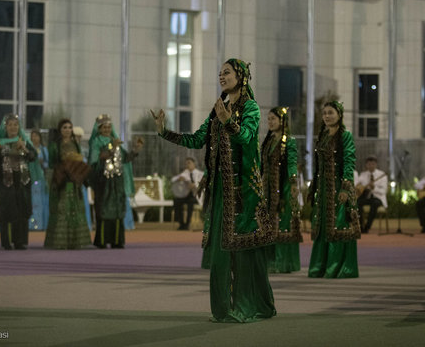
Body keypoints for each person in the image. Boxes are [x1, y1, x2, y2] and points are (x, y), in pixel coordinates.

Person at [152, 58, 276, 323]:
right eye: (220, 73)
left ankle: (249, 305)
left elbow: (246, 136)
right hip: (221, 191)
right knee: (221, 251)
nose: (222, 76)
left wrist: (229, 121)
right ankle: (223, 308)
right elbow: (198, 139)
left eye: (227, 72)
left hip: (243, 191)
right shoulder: (218, 109)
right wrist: (165, 132)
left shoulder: (250, 108)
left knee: (243, 252)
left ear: (241, 76)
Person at [307, 101, 360, 279]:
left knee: (339, 225)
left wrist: (345, 187)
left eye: (331, 113)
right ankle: (320, 266)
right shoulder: (322, 136)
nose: (327, 116)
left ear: (339, 115)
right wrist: (313, 187)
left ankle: (338, 267)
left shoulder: (345, 136)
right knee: (323, 226)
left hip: (338, 189)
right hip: (323, 190)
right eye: (325, 113)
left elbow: (349, 161)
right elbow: (317, 166)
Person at [88, 114, 143, 249]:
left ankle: (117, 240)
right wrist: (112, 147)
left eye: (109, 127)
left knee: (118, 210)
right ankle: (101, 240)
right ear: (100, 129)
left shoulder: (115, 141)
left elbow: (125, 158)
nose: (107, 129)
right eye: (104, 127)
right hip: (104, 181)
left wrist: (136, 149)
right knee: (104, 210)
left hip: (117, 181)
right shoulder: (97, 142)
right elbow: (97, 158)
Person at [261, 107, 302, 273]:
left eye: (274, 119)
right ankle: (270, 261)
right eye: (269, 119)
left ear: (282, 121)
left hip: (283, 188)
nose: (270, 122)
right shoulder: (268, 141)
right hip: (268, 190)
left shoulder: (289, 141)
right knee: (268, 224)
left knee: (283, 224)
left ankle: (284, 263)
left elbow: (292, 162)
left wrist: (293, 183)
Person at [0, 114, 36, 250]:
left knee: (22, 209)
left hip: (23, 181)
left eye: (16, 124)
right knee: (7, 210)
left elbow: (33, 157)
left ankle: (20, 241)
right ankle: (7, 241)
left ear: (19, 127)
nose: (13, 127)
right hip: (5, 183)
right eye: (10, 125)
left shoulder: (24, 141)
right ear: (5, 127)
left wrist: (24, 148)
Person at [44, 119, 92, 249]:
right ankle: (60, 242)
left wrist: (75, 161)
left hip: (73, 180)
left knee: (73, 208)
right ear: (60, 130)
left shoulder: (75, 143)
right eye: (64, 127)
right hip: (61, 180)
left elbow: (79, 157)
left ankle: (75, 242)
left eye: (70, 127)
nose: (67, 130)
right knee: (62, 208)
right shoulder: (55, 145)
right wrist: (64, 161)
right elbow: (51, 163)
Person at [355, 155, 388, 233]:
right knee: (357, 202)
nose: (371, 166)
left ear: (376, 164)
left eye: (373, 164)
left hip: (378, 198)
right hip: (367, 197)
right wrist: (360, 185)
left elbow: (384, 191)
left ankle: (367, 227)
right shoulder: (363, 175)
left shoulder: (382, 175)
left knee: (375, 203)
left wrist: (374, 188)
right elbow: (356, 184)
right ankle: (361, 226)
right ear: (366, 165)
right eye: (369, 164)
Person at [170, 157, 203, 230]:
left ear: (194, 164)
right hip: (186, 195)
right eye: (186, 164)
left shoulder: (200, 173)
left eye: (189, 163)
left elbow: (203, 184)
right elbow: (173, 179)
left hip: (195, 196)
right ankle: (181, 223)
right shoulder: (185, 173)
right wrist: (179, 178)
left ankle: (187, 223)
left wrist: (194, 185)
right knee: (176, 201)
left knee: (190, 203)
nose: (187, 165)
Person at [73, 125, 94, 230]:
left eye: (79, 136)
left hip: (82, 182)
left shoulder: (84, 150)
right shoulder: (69, 149)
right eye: (75, 136)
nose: (77, 139)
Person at [30, 129, 49, 230]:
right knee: (32, 201)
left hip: (41, 177)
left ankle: (41, 224)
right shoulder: (28, 148)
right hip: (31, 177)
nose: (34, 138)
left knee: (41, 200)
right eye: (33, 136)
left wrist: (42, 163)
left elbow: (48, 163)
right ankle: (32, 224)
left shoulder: (43, 150)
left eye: (36, 136)